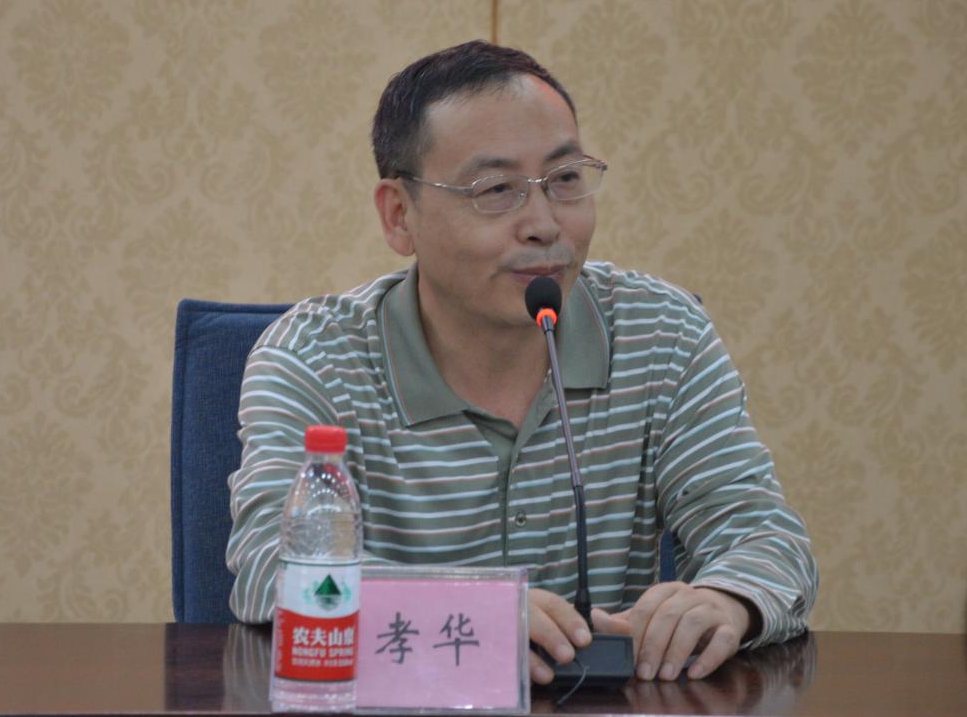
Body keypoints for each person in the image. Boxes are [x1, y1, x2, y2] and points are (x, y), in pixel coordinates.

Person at [227, 40, 817, 684]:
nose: (544, 224)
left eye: (564, 180)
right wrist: (476, 614)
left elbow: (765, 537)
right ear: (399, 216)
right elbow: (271, 570)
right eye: (496, 189)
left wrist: (726, 599)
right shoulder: (314, 358)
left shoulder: (661, 334)